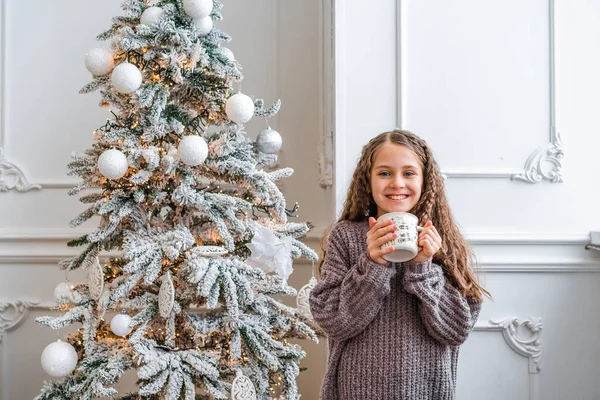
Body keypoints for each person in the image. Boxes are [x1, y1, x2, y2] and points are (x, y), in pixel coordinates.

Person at [309, 129, 491, 400]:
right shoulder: (345, 236)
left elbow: (456, 329)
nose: (397, 183)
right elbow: (333, 322)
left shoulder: (443, 240)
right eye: (384, 173)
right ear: (367, 181)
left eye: (408, 173)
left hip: (427, 389)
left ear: (425, 180)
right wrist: (372, 265)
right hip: (357, 390)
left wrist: (423, 268)